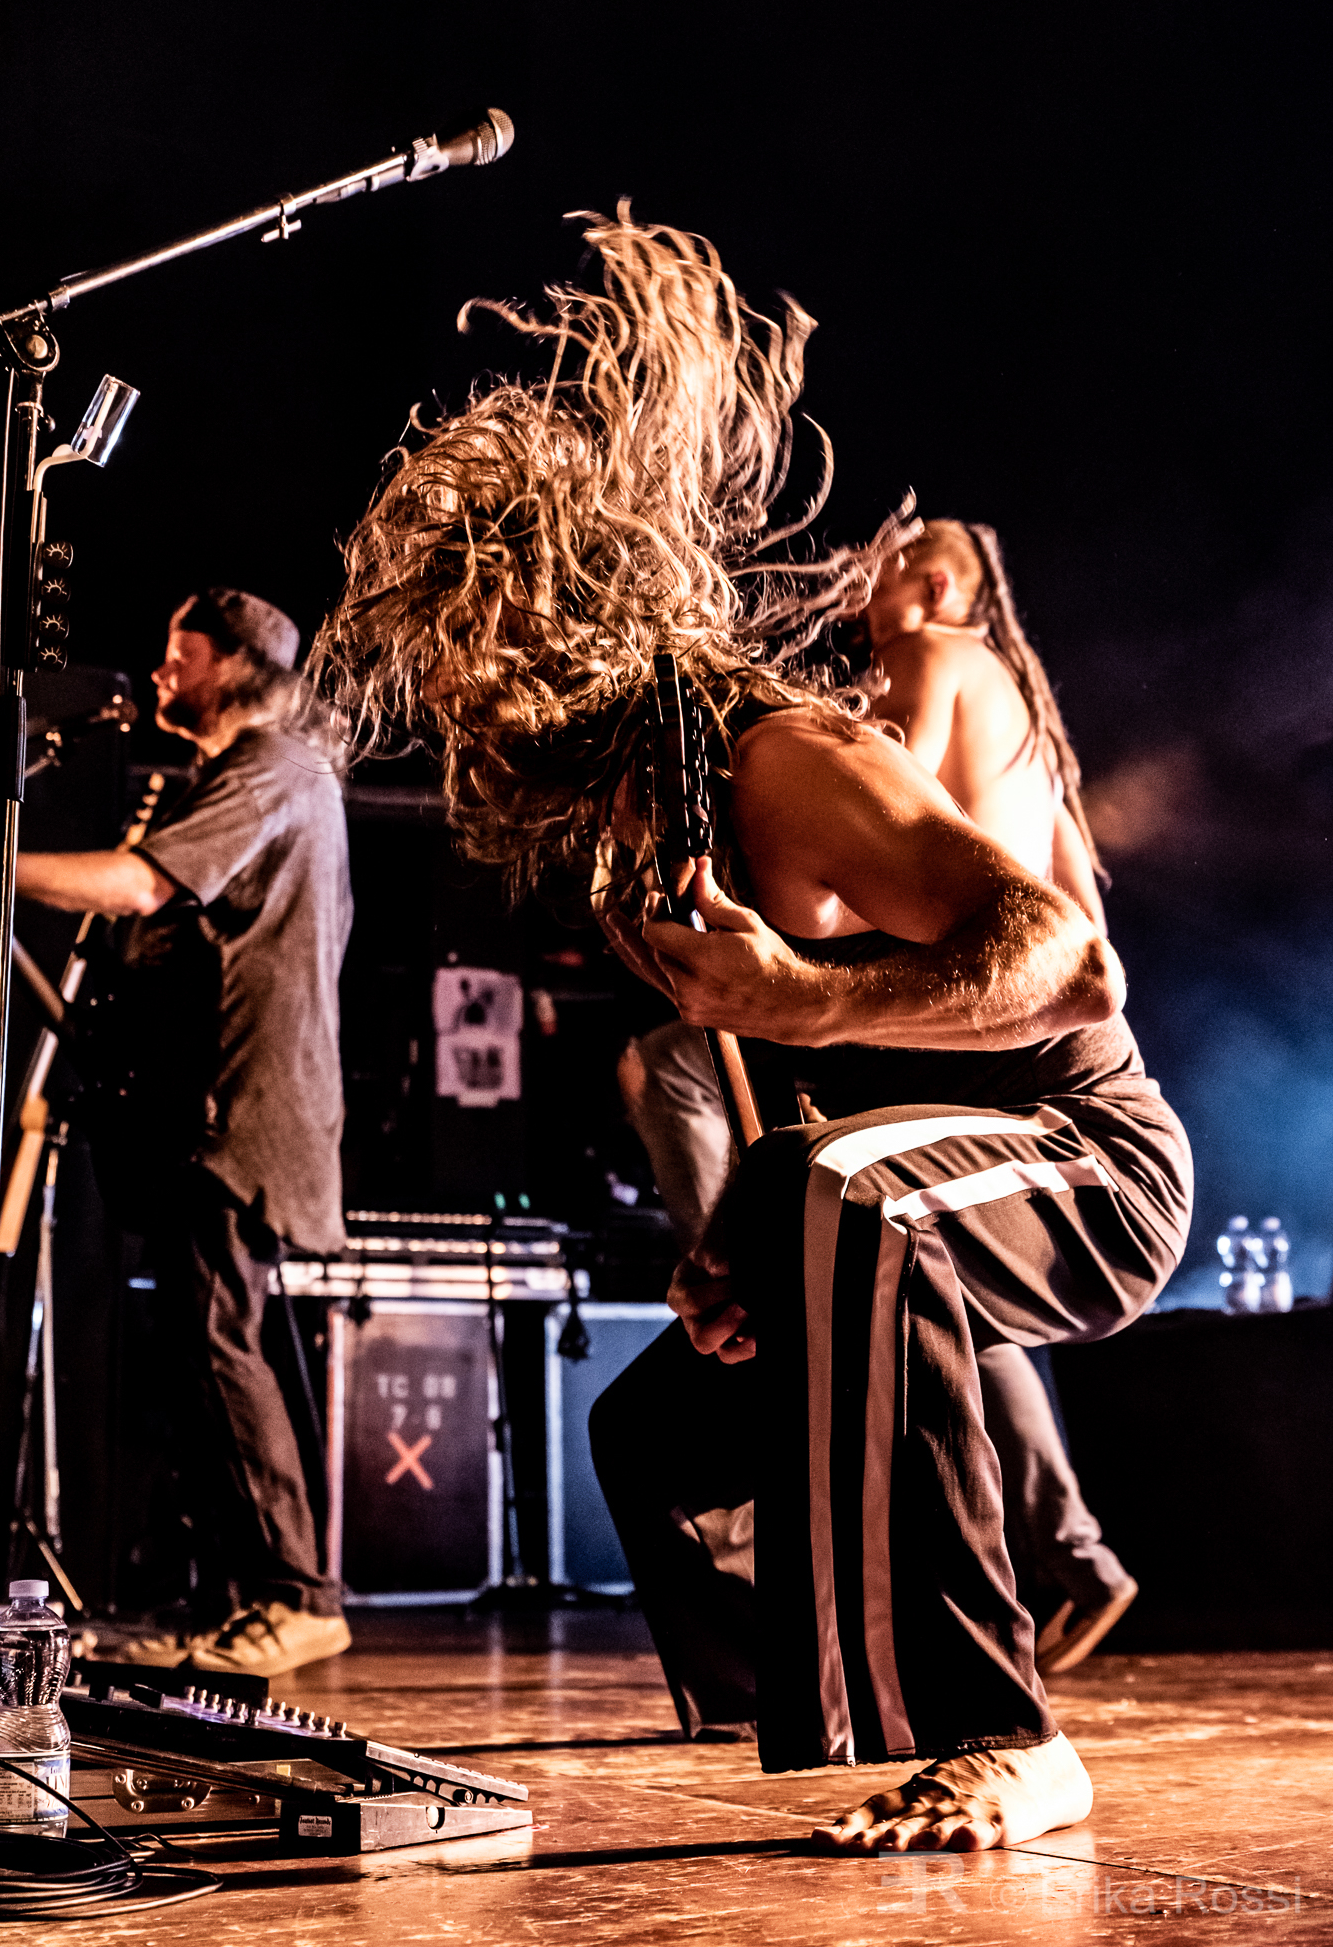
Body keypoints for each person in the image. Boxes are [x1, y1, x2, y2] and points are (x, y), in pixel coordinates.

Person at [314, 214, 1192, 1852]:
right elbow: (791, 1088)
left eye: (472, 656)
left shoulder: (783, 758)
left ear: (556, 627)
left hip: (1087, 1162)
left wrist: (807, 997)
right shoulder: (653, 816)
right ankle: (772, 1705)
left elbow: (1072, 962)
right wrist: (733, 1237)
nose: (457, 702)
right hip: (895, 1170)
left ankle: (1008, 1736)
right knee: (650, 1426)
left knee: (856, 1203)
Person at [622, 517, 1138, 1678]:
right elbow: (1088, 936)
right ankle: (1068, 1552)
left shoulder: (929, 657)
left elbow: (958, 864)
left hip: (988, 1053)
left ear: (938, 583)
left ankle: (973, 1656)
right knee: (924, 1288)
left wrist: (815, 976)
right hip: (991, 1058)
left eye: (889, 557)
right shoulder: (1030, 727)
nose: (862, 574)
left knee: (675, 1073)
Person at [16, 588, 353, 1678]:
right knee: (202, 1348)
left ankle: (298, 1597)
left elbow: (136, 886)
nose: (162, 671)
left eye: (183, 651)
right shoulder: (246, 774)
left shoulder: (275, 768)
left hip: (242, 1111)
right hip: (215, 1111)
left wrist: (6, 868)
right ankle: (236, 1602)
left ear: (241, 665)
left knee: (216, 1340)